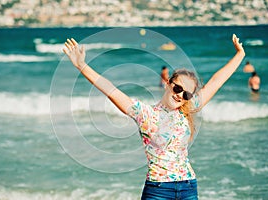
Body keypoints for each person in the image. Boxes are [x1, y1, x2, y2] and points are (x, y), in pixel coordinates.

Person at [63, 34, 245, 200]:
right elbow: (111, 90)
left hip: (188, 185)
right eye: (177, 88)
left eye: (186, 94)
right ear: (167, 84)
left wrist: (239, 55)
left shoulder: (186, 110)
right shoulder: (144, 113)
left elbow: (215, 82)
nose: (180, 95)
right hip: (158, 190)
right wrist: (81, 65)